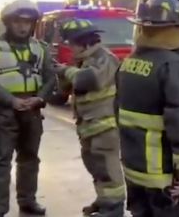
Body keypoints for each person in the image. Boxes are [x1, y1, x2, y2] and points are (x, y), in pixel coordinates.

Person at [116, 0, 179, 217]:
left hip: (134, 171)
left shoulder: (129, 62)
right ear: (172, 29)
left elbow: (117, 111)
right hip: (165, 178)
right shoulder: (172, 66)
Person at [0, 0, 55, 217]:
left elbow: (50, 79)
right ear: (8, 22)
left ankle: (28, 201)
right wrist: (11, 101)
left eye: (28, 22)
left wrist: (39, 99)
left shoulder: (41, 48)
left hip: (32, 111)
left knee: (30, 159)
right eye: (18, 21)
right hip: (3, 111)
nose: (23, 27)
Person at [55, 19, 125, 217]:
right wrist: (63, 75)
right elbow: (65, 91)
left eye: (71, 43)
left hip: (105, 126)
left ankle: (114, 208)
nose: (70, 47)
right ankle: (103, 200)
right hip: (89, 126)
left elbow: (89, 80)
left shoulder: (105, 57)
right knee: (95, 166)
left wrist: (65, 71)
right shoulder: (82, 61)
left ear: (84, 42)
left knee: (107, 169)